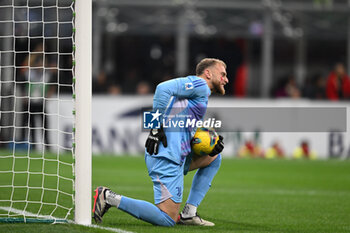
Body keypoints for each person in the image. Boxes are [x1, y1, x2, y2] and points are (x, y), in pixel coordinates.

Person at [93, 58, 228, 226]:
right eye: (223, 74)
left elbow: (180, 118)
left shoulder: (197, 94)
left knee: (214, 157)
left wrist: (210, 139)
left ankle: (188, 214)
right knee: (167, 219)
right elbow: (162, 88)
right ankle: (109, 197)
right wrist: (155, 129)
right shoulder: (199, 84)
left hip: (176, 153)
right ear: (208, 73)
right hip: (167, 155)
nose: (226, 79)